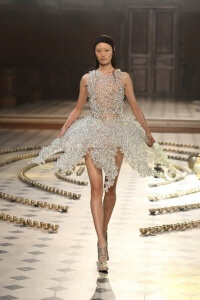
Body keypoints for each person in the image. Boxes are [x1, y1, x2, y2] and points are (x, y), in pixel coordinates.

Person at [29, 35, 177, 272]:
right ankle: (101, 244)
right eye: (98, 50)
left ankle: (103, 229)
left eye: (106, 50)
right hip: (93, 132)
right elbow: (79, 107)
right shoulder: (87, 78)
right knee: (96, 188)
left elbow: (135, 107)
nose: (102, 54)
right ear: (95, 53)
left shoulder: (123, 77)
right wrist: (65, 127)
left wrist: (148, 133)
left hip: (118, 134)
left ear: (113, 51)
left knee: (110, 189)